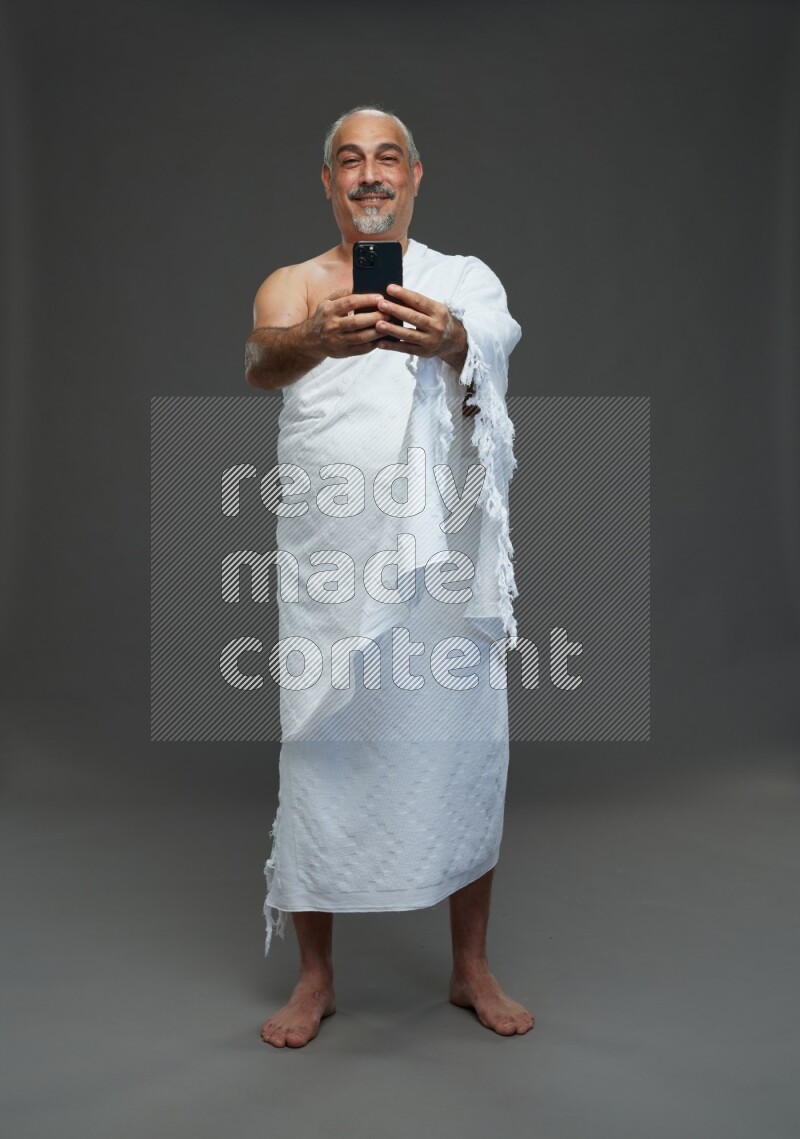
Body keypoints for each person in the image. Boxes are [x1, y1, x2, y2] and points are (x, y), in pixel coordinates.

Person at [245, 105, 533, 1047]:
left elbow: (493, 349)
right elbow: (260, 361)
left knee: (461, 742)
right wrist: (319, 340)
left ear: (415, 175)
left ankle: (470, 968)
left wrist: (450, 339)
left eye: (387, 158)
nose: (369, 174)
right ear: (327, 183)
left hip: (439, 560)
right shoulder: (293, 285)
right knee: (319, 744)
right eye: (349, 161)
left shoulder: (463, 280)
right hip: (330, 558)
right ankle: (316, 979)